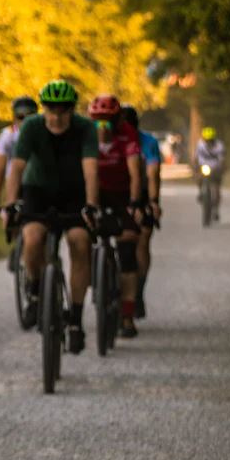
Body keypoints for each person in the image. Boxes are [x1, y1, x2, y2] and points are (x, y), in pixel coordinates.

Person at [3, 79, 99, 353]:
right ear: (43, 109)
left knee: (80, 241)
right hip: (38, 190)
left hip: (74, 192)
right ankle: (35, 292)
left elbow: (91, 170)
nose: (56, 116)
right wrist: (11, 204)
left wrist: (91, 205)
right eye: (51, 110)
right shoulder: (32, 126)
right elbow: (16, 168)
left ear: (72, 110)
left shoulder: (85, 128)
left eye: (63, 110)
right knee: (33, 238)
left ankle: (76, 320)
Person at [89, 96, 143, 337]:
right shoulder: (86, 135)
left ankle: (128, 315)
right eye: (98, 121)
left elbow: (135, 173)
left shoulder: (127, 133)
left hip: (122, 194)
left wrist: (135, 203)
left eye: (108, 121)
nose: (103, 127)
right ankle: (92, 278)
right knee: (80, 237)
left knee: (128, 248)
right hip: (95, 194)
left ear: (118, 120)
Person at [119, 104, 162, 319]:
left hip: (142, 193)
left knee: (142, 239)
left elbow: (153, 175)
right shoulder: (110, 139)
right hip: (117, 191)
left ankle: (138, 291)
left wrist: (153, 202)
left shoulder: (148, 142)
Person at [0, 96, 38, 225]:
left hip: (37, 181)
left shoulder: (43, 133)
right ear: (14, 117)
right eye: (21, 117)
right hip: (14, 182)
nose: (25, 121)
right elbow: (0, 169)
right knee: (11, 219)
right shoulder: (7, 136)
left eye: (30, 116)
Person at [193, 126, 225, 220]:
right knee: (198, 178)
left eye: (210, 140)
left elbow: (222, 159)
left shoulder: (219, 145)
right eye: (206, 140)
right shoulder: (200, 145)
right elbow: (196, 157)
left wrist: (221, 167)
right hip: (203, 167)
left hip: (215, 168)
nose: (208, 142)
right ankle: (200, 191)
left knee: (217, 189)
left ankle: (216, 209)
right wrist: (195, 167)